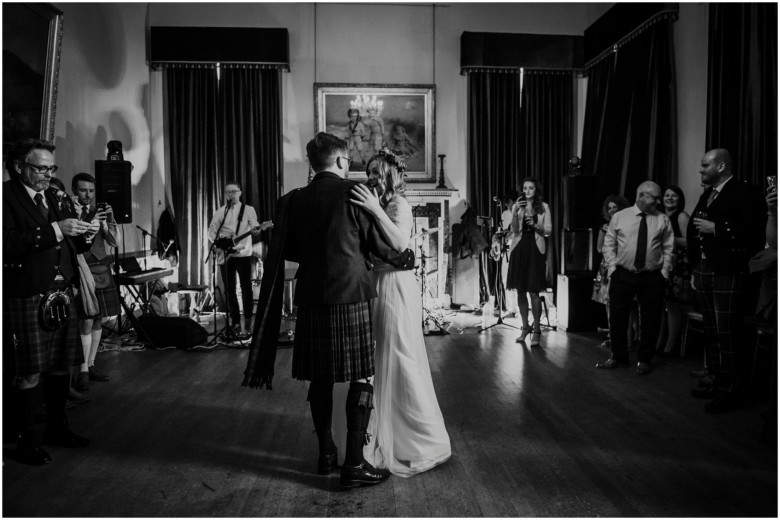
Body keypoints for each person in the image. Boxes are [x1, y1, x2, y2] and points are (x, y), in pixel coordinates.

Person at [243, 133, 415, 489]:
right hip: (350, 295)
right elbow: (382, 245)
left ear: (312, 163)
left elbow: (288, 249)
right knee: (361, 377)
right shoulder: (354, 193)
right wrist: (403, 257)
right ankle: (354, 463)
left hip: (310, 296)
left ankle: (325, 455)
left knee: (319, 378)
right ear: (340, 161)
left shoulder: (293, 201)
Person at [348, 150, 451, 477]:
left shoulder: (398, 205)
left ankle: (415, 439)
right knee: (379, 359)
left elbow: (400, 241)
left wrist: (375, 208)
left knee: (399, 354)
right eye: (368, 172)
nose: (370, 177)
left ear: (389, 176)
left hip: (395, 285)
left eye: (375, 172)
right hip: (379, 282)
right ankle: (375, 433)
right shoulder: (378, 203)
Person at [3, 138, 92, 465]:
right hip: (27, 293)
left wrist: (86, 232)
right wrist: (56, 229)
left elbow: (73, 244)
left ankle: (57, 428)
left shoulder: (53, 195)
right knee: (29, 371)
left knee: (59, 366)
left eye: (51, 168)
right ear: (18, 166)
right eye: (41, 168)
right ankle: (26, 442)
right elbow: (7, 242)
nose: (47, 174)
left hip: (61, 292)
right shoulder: (5, 197)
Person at [687, 148, 767, 413]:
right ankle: (718, 380)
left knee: (727, 333)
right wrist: (695, 267)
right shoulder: (708, 194)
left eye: (705, 165)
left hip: (729, 272)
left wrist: (717, 228)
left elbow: (756, 232)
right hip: (706, 268)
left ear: (721, 166)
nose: (701, 170)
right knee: (712, 331)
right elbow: (695, 230)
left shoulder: (745, 192)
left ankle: (731, 390)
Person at [596, 181, 674, 376]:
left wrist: (664, 273)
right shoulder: (620, 218)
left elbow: (668, 248)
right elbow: (609, 244)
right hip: (623, 273)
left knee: (650, 319)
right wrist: (613, 268)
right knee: (617, 317)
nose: (658, 201)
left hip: (651, 276)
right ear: (640, 196)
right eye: (654, 197)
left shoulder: (662, 219)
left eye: (658, 197)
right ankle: (618, 357)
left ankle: (644, 359)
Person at [70, 173, 120, 390]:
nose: (88, 195)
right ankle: (81, 370)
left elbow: (114, 241)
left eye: (91, 191)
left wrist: (108, 220)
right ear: (75, 191)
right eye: (83, 190)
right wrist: (94, 219)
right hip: (84, 269)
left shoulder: (99, 213)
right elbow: (78, 238)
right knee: (86, 320)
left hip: (103, 267)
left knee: (99, 319)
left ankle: (91, 365)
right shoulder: (70, 211)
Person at [207, 181, 259, 337]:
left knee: (246, 288)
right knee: (229, 290)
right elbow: (211, 231)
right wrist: (218, 245)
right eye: (227, 192)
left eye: (233, 191)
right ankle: (235, 320)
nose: (230, 195)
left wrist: (257, 230)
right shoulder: (221, 211)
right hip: (226, 255)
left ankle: (248, 319)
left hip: (243, 255)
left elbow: (255, 226)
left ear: (240, 192)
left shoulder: (248, 210)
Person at [506, 177, 552, 346]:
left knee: (533, 291)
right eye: (525, 188)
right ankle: (525, 327)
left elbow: (548, 231)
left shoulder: (544, 207)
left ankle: (537, 329)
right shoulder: (517, 206)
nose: (527, 191)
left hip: (535, 248)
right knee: (520, 290)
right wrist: (515, 211)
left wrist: (535, 225)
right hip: (519, 248)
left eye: (530, 188)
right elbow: (514, 230)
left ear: (536, 190)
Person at [592, 195, 632, 349]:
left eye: (615, 207)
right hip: (607, 265)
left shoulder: (628, 225)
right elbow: (598, 248)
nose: (612, 210)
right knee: (608, 303)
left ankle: (627, 335)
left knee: (622, 302)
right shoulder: (604, 227)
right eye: (609, 208)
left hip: (623, 264)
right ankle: (612, 335)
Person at [658, 185, 693, 356]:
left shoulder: (681, 216)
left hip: (678, 265)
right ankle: (659, 344)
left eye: (674, 196)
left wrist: (666, 239)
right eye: (667, 195)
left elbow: (689, 242)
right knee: (662, 305)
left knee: (673, 306)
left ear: (679, 199)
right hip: (661, 264)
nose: (670, 198)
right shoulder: (659, 216)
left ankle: (671, 347)